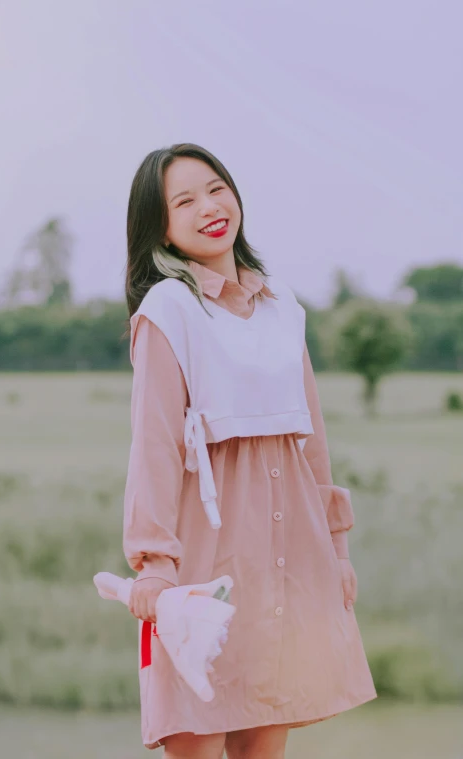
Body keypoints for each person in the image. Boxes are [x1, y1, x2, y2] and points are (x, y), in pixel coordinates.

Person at [121, 143, 377, 758]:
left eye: (216, 188)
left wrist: (337, 549)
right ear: (160, 226)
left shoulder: (283, 307)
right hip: (206, 557)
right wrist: (154, 565)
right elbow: (153, 446)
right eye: (184, 200)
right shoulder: (169, 310)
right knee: (198, 736)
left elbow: (309, 439)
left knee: (265, 742)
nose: (209, 207)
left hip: (291, 552)